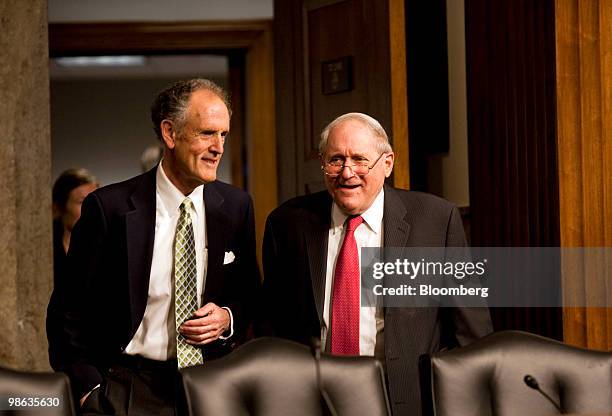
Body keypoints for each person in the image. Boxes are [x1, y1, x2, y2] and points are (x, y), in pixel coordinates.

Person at [47, 79, 260, 415]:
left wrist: (227, 317)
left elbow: (250, 295)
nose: (219, 147)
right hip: (129, 387)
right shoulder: (110, 208)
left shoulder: (236, 206)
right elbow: (67, 311)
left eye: (223, 135)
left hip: (212, 384)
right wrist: (88, 390)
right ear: (170, 133)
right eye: (207, 133)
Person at [260, 112, 492, 416]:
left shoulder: (436, 221)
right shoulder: (287, 223)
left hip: (407, 402)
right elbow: (271, 324)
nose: (347, 172)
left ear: (387, 163)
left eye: (359, 159)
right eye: (336, 160)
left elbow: (470, 332)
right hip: (310, 402)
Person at [47, 168, 99, 366]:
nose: (90, 208)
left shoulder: (106, 244)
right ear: (60, 207)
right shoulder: (44, 248)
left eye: (94, 200)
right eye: (81, 202)